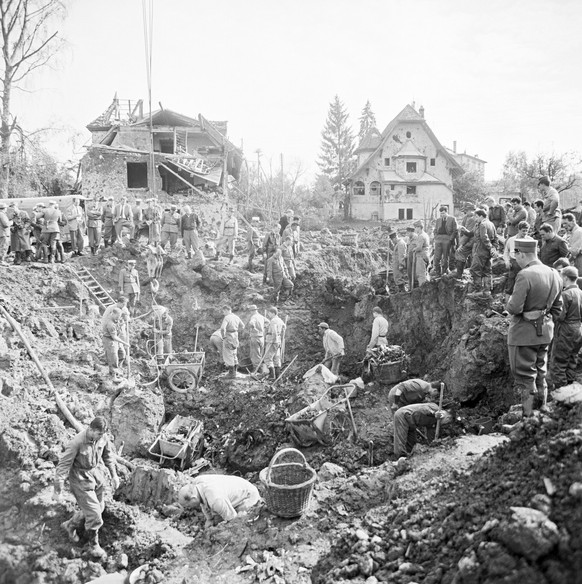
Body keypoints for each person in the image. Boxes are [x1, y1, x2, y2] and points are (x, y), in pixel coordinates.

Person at [505, 239, 563, 416]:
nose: (516, 261)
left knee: (524, 377)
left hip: (523, 335)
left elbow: (514, 308)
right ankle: (541, 413)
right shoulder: (554, 273)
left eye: (517, 257)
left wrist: (510, 305)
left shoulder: (525, 274)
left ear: (522, 254)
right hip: (545, 333)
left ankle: (527, 420)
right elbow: (558, 309)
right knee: (540, 372)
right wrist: (541, 315)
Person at [53, 416, 119, 560]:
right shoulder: (76, 443)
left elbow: (108, 456)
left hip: (95, 474)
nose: (101, 437)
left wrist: (114, 475)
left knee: (99, 507)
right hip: (79, 478)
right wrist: (58, 491)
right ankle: (93, 545)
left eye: (102, 435)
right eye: (99, 434)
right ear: (91, 429)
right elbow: (63, 467)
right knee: (95, 515)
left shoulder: (102, 438)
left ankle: (70, 525)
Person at [178, 474, 261, 528]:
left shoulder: (215, 500)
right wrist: (209, 519)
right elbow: (202, 501)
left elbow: (232, 519)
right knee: (216, 521)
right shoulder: (196, 483)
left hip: (248, 496)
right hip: (232, 490)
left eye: (188, 505)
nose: (189, 508)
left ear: (193, 498)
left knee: (235, 521)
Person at [548, 266, 582, 389]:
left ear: (566, 278)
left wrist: (550, 310)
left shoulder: (565, 294)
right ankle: (570, 390)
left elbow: (560, 316)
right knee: (572, 360)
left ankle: (561, 395)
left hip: (565, 330)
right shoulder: (580, 292)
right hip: (578, 329)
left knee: (558, 364)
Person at [468, 209, 497, 297]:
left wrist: (490, 248)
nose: (475, 218)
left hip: (480, 250)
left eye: (476, 216)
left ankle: (478, 290)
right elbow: (495, 238)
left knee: (475, 269)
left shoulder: (482, 224)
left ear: (481, 216)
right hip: (487, 252)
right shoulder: (491, 224)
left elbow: (484, 238)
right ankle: (487, 291)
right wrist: (493, 249)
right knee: (487, 270)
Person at [503, 221, 534, 295]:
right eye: (523, 231)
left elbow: (533, 255)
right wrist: (507, 261)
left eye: (527, 231)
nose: (525, 233)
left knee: (525, 286)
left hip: (526, 264)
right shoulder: (511, 240)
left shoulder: (530, 240)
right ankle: (508, 305)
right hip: (514, 264)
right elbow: (506, 252)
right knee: (510, 288)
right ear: (519, 230)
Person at [102, 307, 129, 377]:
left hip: (115, 339)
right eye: (117, 316)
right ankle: (113, 375)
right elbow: (114, 337)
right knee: (113, 358)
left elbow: (118, 324)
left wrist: (123, 323)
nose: (118, 318)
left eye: (119, 316)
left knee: (122, 354)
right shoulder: (110, 323)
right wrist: (125, 343)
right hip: (109, 340)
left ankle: (118, 370)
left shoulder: (115, 319)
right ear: (113, 314)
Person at [220, 305, 244, 378]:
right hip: (235, 336)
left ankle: (231, 374)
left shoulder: (227, 317)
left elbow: (222, 328)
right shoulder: (236, 317)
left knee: (228, 354)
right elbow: (243, 326)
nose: (223, 313)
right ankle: (235, 371)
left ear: (227, 310)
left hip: (229, 335)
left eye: (223, 311)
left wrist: (224, 337)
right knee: (234, 353)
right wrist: (236, 331)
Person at [432, 206, 457, 277]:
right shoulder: (438, 220)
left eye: (443, 213)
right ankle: (437, 272)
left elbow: (455, 230)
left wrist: (450, 239)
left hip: (447, 238)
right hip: (438, 238)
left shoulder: (452, 219)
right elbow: (435, 229)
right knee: (437, 257)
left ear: (447, 212)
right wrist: (436, 236)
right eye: (441, 214)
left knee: (445, 257)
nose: (442, 215)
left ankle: (444, 272)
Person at [454, 204, 477, 280]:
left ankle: (459, 275)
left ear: (471, 210)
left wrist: (461, 244)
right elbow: (462, 231)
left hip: (472, 240)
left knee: (460, 253)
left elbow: (468, 234)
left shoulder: (473, 219)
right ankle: (461, 273)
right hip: (468, 240)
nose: (465, 212)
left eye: (466, 211)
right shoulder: (466, 218)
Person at [263, 306, 285, 380]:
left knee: (268, 358)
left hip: (272, 341)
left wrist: (273, 340)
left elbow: (274, 331)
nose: (268, 315)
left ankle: (272, 375)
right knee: (276, 358)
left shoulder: (273, 321)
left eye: (269, 313)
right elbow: (284, 327)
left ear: (273, 313)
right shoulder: (280, 320)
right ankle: (278, 376)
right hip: (278, 341)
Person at [246, 305, 265, 372]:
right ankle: (261, 369)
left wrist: (253, 328)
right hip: (262, 337)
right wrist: (262, 328)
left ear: (252, 311)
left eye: (250, 311)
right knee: (260, 353)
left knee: (255, 354)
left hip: (255, 337)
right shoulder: (261, 316)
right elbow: (268, 322)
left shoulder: (253, 317)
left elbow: (251, 323)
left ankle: (256, 370)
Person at [412, 221, 430, 286]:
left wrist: (414, 249)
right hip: (426, 256)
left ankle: (423, 290)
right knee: (425, 273)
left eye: (416, 227)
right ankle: (428, 288)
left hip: (421, 256)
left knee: (421, 274)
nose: (415, 229)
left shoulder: (421, 236)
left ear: (419, 227)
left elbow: (419, 248)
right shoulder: (425, 235)